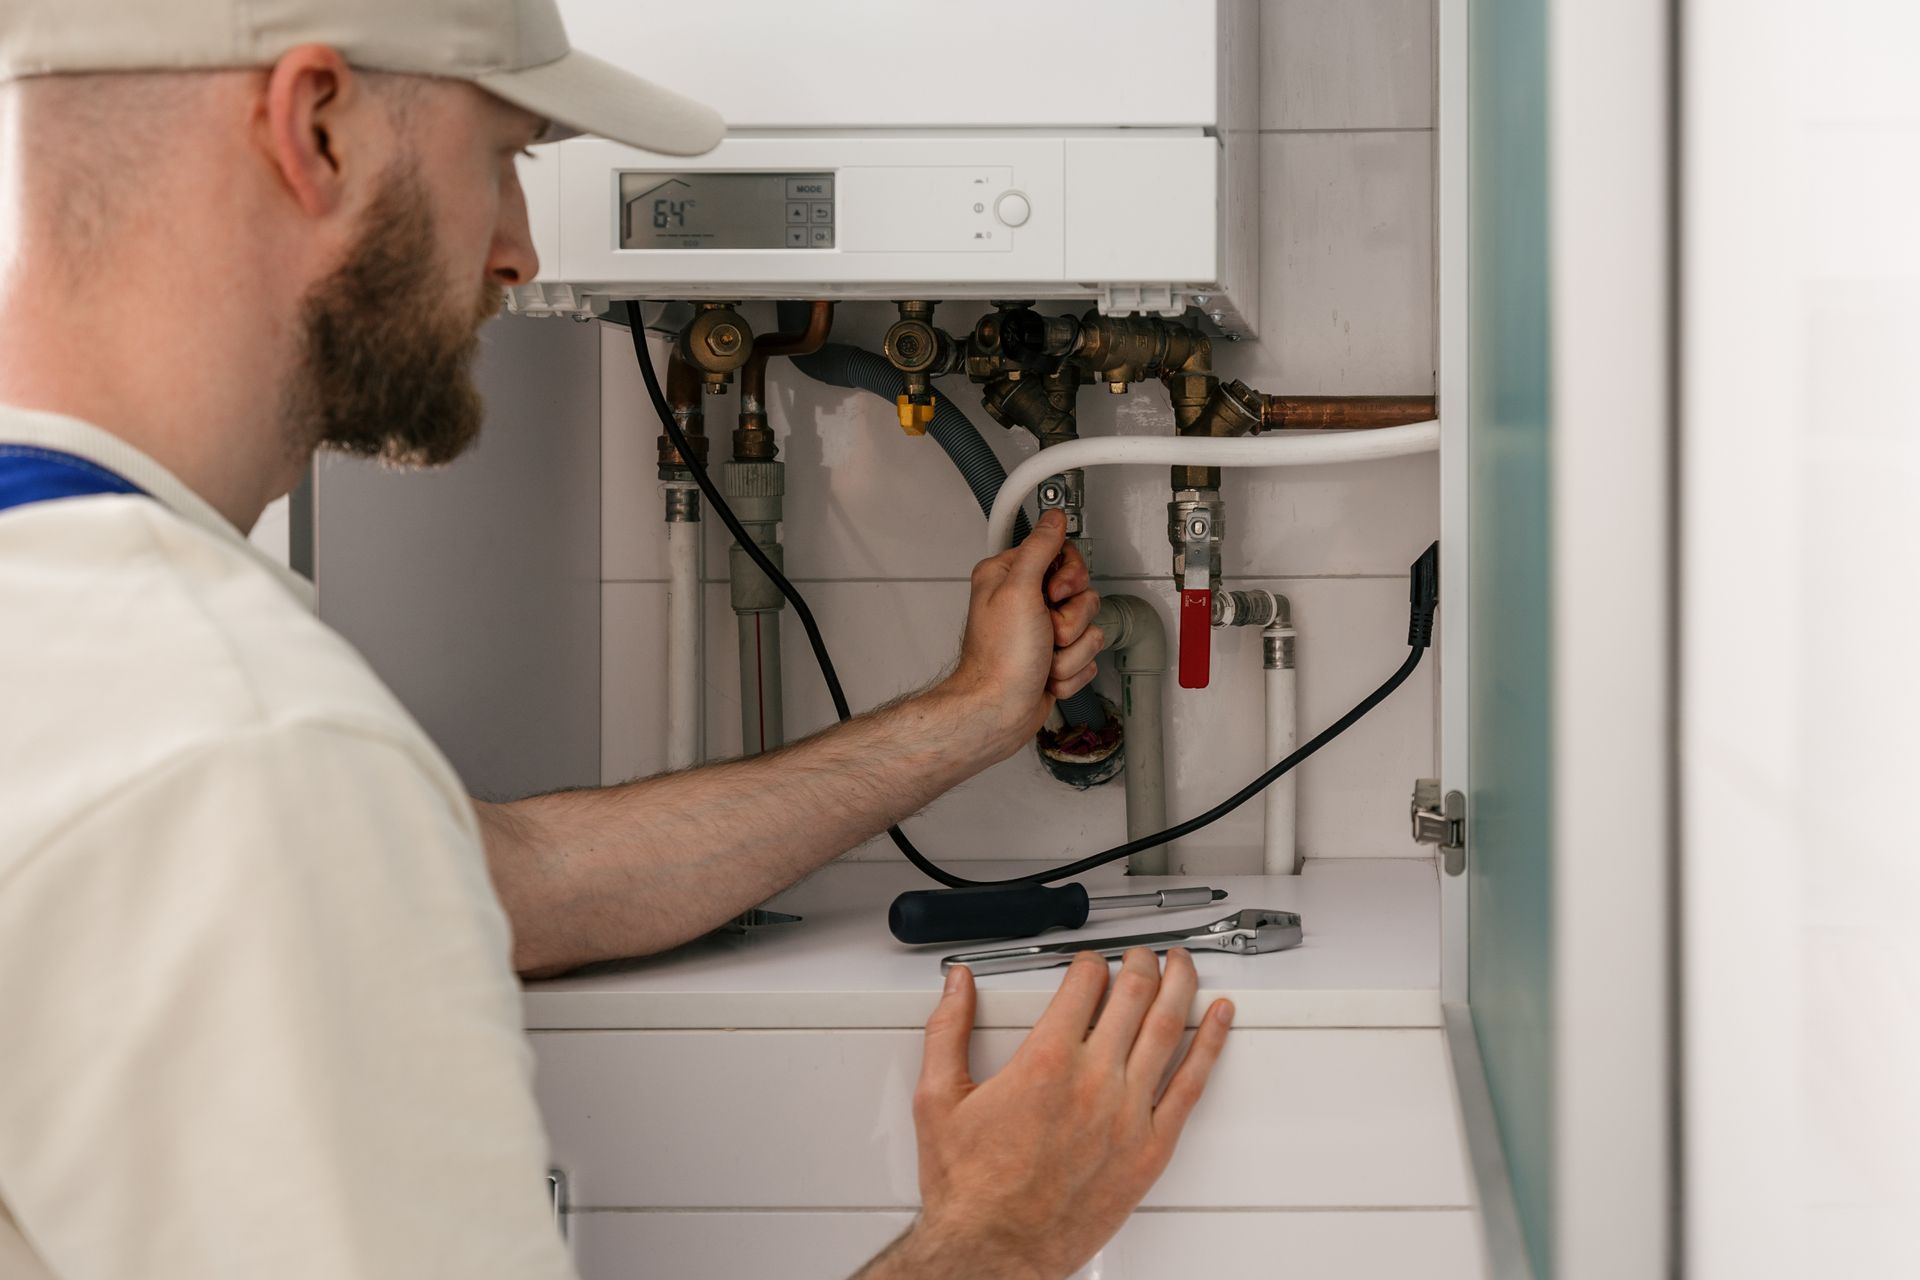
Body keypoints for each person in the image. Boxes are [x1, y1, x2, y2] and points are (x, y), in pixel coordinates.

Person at [0, 2, 1235, 1277]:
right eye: (506, 156)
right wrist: (1005, 1231)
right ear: (316, 127)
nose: (520, 249)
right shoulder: (239, 748)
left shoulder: (87, 657)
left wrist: (963, 716)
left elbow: (522, 878)